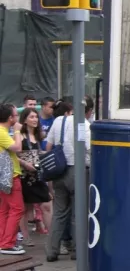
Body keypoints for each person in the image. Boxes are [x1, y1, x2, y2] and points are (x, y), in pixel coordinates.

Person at [44, 100, 75, 262]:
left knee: (59, 212)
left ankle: (52, 250)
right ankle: (76, 250)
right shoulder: (80, 122)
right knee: (78, 212)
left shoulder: (56, 122)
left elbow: (48, 147)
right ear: (70, 111)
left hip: (59, 172)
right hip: (76, 170)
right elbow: (89, 148)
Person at [17, 107, 52, 244]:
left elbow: (38, 152)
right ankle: (25, 237)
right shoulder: (20, 135)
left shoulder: (38, 136)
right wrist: (25, 164)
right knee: (26, 208)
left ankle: (52, 238)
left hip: (38, 175)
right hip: (25, 176)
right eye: (31, 117)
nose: (35, 120)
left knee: (47, 205)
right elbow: (13, 155)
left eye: (36, 117)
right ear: (24, 120)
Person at [0, 104, 25, 255]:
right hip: (10, 176)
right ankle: (7, 243)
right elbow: (17, 148)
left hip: (6, 176)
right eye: (15, 116)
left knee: (4, 209)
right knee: (17, 209)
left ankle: (3, 240)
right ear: (10, 118)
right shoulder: (2, 132)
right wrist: (17, 130)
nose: (16, 118)